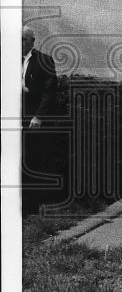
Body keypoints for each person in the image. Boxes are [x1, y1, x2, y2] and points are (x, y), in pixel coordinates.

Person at [21, 25, 58, 213]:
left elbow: (49, 91)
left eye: (23, 40)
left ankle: (31, 207)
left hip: (33, 120)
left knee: (32, 160)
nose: (19, 44)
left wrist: (38, 116)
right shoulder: (9, 60)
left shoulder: (44, 60)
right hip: (14, 118)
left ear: (32, 41)